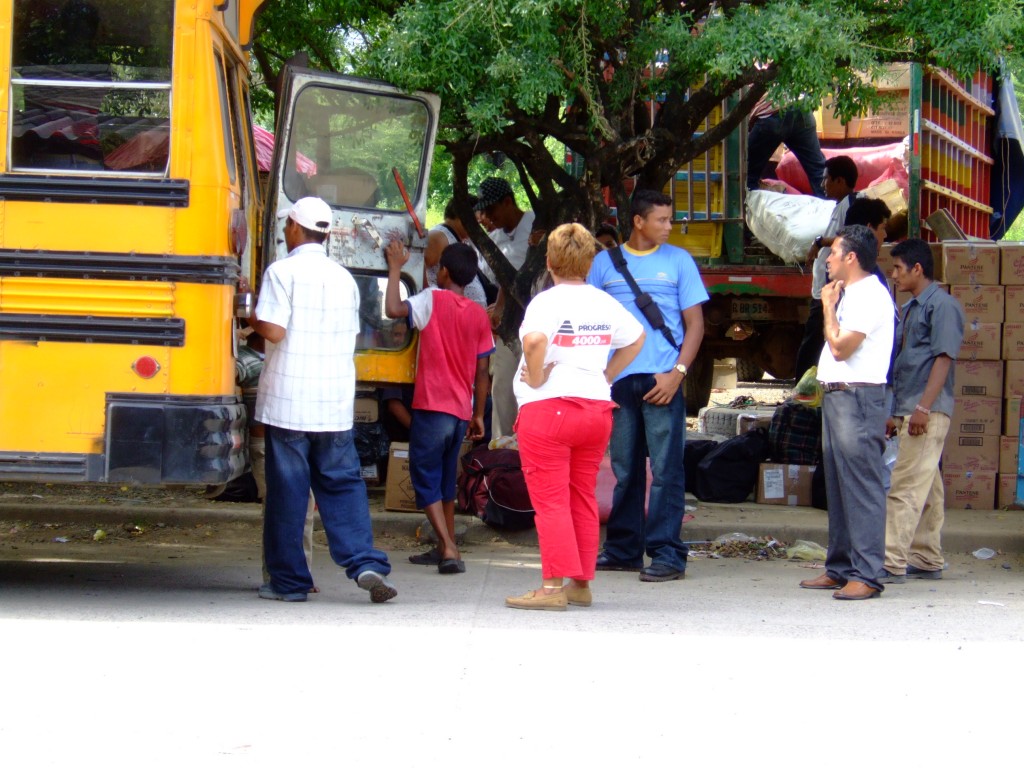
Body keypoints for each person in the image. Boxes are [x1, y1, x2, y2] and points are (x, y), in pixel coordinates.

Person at [245, 196, 396, 604]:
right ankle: (365, 562)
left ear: (294, 227)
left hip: (290, 402)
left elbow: (273, 332)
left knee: (289, 495)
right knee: (343, 485)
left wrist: (250, 319)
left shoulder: (282, 272)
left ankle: (289, 583)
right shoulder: (343, 278)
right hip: (332, 403)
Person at [505, 223, 645, 611]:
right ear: (589, 261)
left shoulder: (546, 302)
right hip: (596, 410)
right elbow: (636, 338)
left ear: (549, 261)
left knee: (550, 500)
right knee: (581, 495)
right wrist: (608, 374)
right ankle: (580, 583)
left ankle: (551, 588)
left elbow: (534, 341)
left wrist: (535, 378)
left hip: (549, 410)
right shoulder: (603, 302)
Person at [587, 189, 709, 582]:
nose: (669, 227)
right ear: (638, 221)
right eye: (662, 220)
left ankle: (667, 553)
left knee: (666, 471)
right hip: (618, 383)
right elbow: (592, 328)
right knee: (625, 470)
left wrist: (678, 374)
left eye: (670, 220)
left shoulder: (680, 262)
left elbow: (696, 326)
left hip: (663, 381)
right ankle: (623, 550)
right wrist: (598, 383)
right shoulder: (604, 265)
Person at [384, 241, 494, 574]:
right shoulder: (478, 313)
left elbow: (392, 309)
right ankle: (446, 546)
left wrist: (394, 268)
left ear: (443, 271)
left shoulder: (430, 300)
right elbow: (483, 372)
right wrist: (478, 414)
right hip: (461, 411)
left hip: (432, 407)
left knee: (424, 477)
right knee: (446, 482)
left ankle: (447, 547)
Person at [799, 224, 895, 601]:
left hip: (858, 398)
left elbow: (841, 348)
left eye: (834, 254)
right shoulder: (852, 293)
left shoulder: (869, 295)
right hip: (840, 397)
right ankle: (839, 568)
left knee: (862, 487)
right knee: (839, 487)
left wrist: (826, 306)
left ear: (851, 258)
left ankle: (867, 573)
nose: (827, 261)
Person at [879, 239, 964, 583]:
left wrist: (922, 408)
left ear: (917, 269)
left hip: (925, 409)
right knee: (927, 488)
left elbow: (944, 358)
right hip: (912, 408)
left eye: (898, 268)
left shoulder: (942, 306)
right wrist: (896, 411)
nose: (893, 274)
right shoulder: (915, 306)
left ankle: (889, 560)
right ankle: (926, 556)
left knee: (904, 486)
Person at [474, 177, 546, 438]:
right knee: (503, 391)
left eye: (491, 210)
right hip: (508, 327)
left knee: (532, 392)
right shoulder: (492, 240)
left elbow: (519, 272)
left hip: (539, 326)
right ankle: (501, 457)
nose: (487, 217)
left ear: (507, 202)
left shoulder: (537, 224)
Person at [794, 155, 860, 381]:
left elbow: (848, 239)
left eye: (826, 180)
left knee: (812, 340)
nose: (823, 185)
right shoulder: (840, 205)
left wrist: (821, 242)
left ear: (840, 181)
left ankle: (801, 388)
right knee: (813, 338)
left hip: (830, 288)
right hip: (824, 288)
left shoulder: (850, 205)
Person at [746, 96, 827, 197]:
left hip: (771, 113)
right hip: (801, 106)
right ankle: (834, 209)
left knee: (747, 174)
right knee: (818, 171)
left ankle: (745, 209)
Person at [424, 196, 489, 308]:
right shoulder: (439, 237)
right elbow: (420, 266)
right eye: (476, 221)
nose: (477, 226)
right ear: (462, 215)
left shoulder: (462, 238)